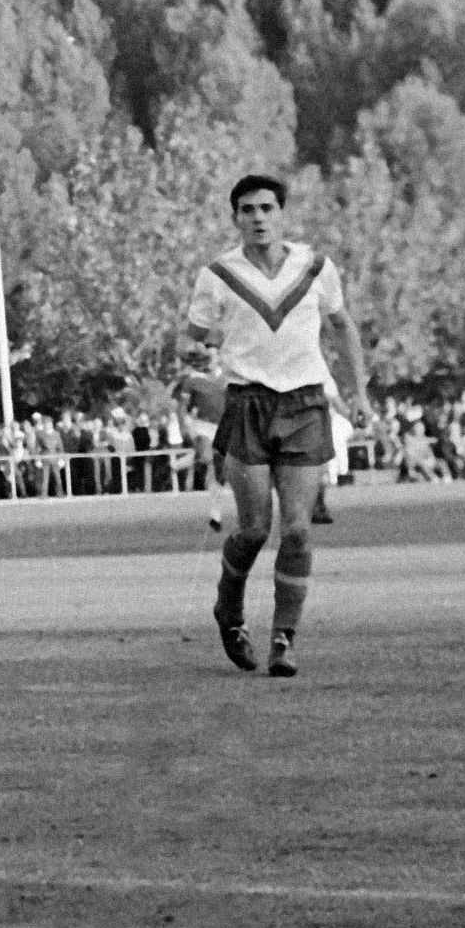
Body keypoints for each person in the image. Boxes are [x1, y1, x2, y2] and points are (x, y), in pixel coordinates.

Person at [179, 172, 371, 679]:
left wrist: (359, 392)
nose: (258, 218)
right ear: (235, 217)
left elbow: (341, 325)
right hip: (247, 403)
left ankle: (284, 639)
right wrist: (194, 351)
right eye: (248, 210)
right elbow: (187, 340)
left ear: (282, 213)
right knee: (255, 528)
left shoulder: (315, 267)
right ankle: (229, 608)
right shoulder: (218, 274)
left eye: (266, 208)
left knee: (299, 528)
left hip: (306, 402)